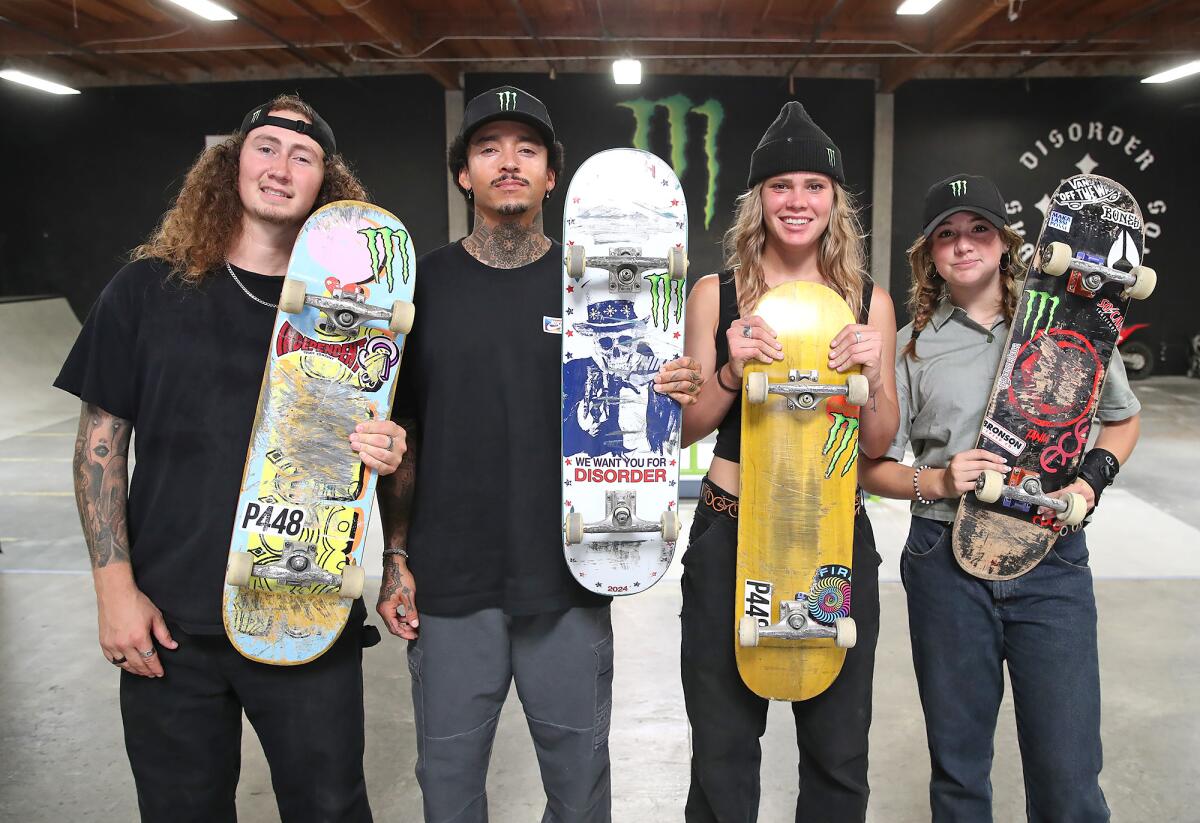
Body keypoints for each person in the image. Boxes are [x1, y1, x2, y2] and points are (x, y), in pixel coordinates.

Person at [54, 94, 408, 823]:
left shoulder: (353, 315)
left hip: (304, 610)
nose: (281, 167)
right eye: (266, 148)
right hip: (169, 623)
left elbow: (384, 437)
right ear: (231, 163)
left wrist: (387, 446)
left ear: (325, 185)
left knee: (331, 809)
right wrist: (113, 588)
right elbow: (99, 447)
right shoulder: (146, 290)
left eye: (303, 157)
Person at [374, 85, 701, 823]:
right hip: (451, 583)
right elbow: (404, 432)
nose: (509, 163)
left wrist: (668, 387)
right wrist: (395, 555)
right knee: (450, 787)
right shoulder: (419, 287)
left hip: (568, 576)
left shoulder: (601, 287)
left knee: (579, 790)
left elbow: (644, 424)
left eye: (527, 149)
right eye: (489, 148)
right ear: (465, 173)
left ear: (553, 174)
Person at [859, 173, 1141, 822]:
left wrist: (1090, 481)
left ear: (1006, 243)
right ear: (928, 253)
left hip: (1053, 559)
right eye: (946, 235)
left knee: (1069, 779)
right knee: (959, 777)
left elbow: (1122, 420)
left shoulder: (1071, 321)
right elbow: (871, 467)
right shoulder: (911, 345)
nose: (963, 246)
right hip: (944, 558)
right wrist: (936, 478)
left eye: (978, 230)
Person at [676, 101, 899, 822]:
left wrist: (870, 373)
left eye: (813, 185)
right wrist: (732, 369)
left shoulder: (869, 301)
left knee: (839, 752)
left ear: (835, 200)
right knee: (722, 749)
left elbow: (878, 444)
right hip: (729, 527)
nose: (796, 201)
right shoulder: (718, 293)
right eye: (780, 185)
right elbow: (685, 428)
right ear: (758, 200)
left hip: (832, 539)